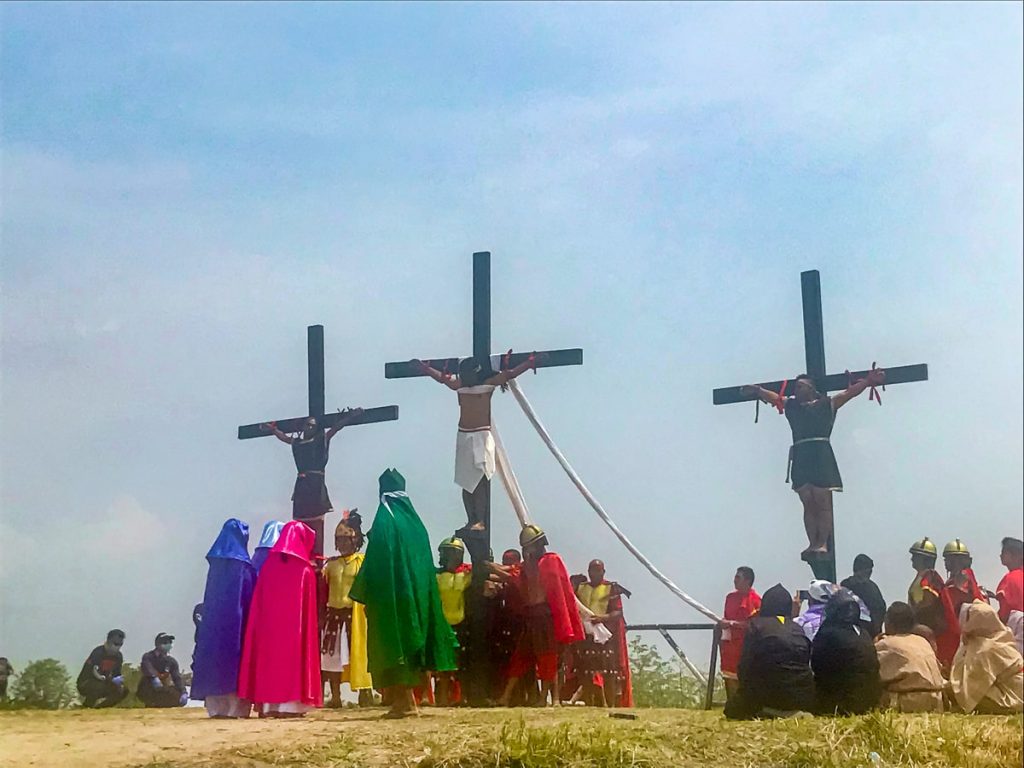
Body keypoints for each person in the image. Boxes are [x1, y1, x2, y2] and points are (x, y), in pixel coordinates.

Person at [349, 469, 459, 718]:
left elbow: (377, 558)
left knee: (394, 643)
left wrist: (366, 591)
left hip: (392, 596)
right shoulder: (417, 525)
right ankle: (409, 700)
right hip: (418, 597)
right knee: (412, 643)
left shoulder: (385, 519)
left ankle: (405, 701)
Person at [743, 367, 885, 558]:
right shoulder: (792, 406)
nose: (796, 390)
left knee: (822, 501)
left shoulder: (827, 404)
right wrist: (758, 390)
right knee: (808, 502)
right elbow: (775, 398)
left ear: (811, 388)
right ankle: (812, 543)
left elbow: (848, 393)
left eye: (800, 386)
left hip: (821, 454)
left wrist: (868, 381)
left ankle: (822, 543)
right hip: (801, 455)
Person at [414, 354, 541, 531]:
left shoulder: (487, 385)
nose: (464, 377)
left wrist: (529, 363)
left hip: (482, 436)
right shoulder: (460, 386)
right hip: (464, 437)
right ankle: (471, 519)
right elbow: (443, 380)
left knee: (480, 480)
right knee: (466, 482)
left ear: (476, 373)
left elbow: (509, 374)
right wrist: (426, 369)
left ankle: (480, 520)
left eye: (467, 374)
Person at [238, 520, 323, 717]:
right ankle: (291, 707)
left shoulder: (268, 566)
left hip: (269, 632)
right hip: (294, 634)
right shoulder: (304, 570)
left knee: (270, 663)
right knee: (292, 665)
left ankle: (270, 706)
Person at [497, 525, 585, 707]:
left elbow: (558, 591)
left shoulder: (551, 560)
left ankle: (548, 698)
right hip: (531, 615)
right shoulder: (526, 566)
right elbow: (511, 573)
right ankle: (506, 697)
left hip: (545, 616)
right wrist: (487, 566)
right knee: (521, 656)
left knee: (549, 657)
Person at [261, 409, 364, 554]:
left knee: (316, 520)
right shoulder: (297, 443)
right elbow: (284, 438)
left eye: (312, 426)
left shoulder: (320, 440)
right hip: (302, 485)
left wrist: (349, 417)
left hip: (315, 484)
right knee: (300, 521)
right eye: (307, 425)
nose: (309, 427)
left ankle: (315, 552)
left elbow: (335, 428)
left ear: (316, 429)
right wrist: (273, 430)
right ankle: (301, 549)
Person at [190, 519, 257, 718]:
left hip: (214, 626)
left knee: (215, 661)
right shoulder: (244, 567)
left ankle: (216, 708)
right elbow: (249, 596)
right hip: (237, 625)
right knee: (235, 662)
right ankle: (235, 709)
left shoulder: (216, 566)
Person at [723, 583, 815, 720]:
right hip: (800, 698)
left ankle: (769, 711)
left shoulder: (755, 626)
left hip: (766, 695)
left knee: (732, 709)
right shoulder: (797, 628)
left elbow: (745, 666)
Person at [320, 511, 373, 707]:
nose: (342, 544)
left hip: (356, 616)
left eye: (345, 540)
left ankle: (365, 693)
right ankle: (335, 697)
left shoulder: (363, 562)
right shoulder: (330, 565)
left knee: (360, 654)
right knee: (332, 657)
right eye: (339, 540)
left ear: (355, 540)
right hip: (334, 615)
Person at [811, 589, 881, 715]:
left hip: (842, 705)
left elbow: (816, 666)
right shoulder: (863, 633)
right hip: (870, 703)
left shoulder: (827, 633)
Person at [574, 559, 633, 708]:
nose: (594, 574)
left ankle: (610, 704)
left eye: (598, 570)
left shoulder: (611, 588)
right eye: (592, 571)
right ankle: (589, 702)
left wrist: (602, 618)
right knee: (586, 670)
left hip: (605, 635)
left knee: (609, 671)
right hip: (586, 634)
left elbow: (618, 612)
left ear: (603, 572)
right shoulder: (581, 587)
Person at [949, 600, 1024, 714]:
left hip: (1013, 696)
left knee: (971, 696)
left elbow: (971, 685)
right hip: (1016, 691)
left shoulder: (986, 648)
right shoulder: (1000, 637)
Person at [874, 602, 944, 713]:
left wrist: (874, 644)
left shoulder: (887, 643)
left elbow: (871, 673)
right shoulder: (922, 641)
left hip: (910, 702)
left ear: (889, 623)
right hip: (937, 701)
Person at [936, 539, 988, 671]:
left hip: (960, 637)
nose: (946, 563)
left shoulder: (960, 583)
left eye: (948, 559)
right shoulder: (966, 582)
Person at [434, 536, 472, 706]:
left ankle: (462, 697)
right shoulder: (435, 575)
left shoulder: (466, 575)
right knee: (443, 663)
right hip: (442, 624)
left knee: (462, 662)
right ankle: (442, 697)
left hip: (462, 623)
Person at [719, 566, 762, 702]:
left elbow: (755, 625)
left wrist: (732, 624)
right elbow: (726, 618)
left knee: (746, 681)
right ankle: (732, 705)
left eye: (738, 578)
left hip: (746, 649)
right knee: (730, 679)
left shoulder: (756, 601)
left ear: (747, 580)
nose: (734, 580)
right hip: (730, 648)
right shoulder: (730, 598)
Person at [76, 630, 128, 708]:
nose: (117, 647)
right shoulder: (98, 652)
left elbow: (116, 673)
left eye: (120, 644)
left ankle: (101, 708)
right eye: (116, 644)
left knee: (123, 690)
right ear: (109, 641)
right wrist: (109, 679)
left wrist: (119, 681)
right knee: (98, 685)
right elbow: (95, 673)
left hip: (104, 682)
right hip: (86, 682)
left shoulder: (118, 656)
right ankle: (86, 706)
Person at [907, 537, 946, 637]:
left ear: (924, 558)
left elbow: (929, 600)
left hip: (926, 626)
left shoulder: (930, 576)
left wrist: (912, 613)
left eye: (915, 556)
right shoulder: (921, 576)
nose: (912, 559)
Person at [841, 554, 886, 637]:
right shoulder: (846, 585)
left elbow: (881, 609)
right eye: (867, 570)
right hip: (852, 631)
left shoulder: (872, 587)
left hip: (871, 632)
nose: (869, 573)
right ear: (859, 570)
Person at [137, 633, 187, 708]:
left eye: (170, 642)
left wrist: (183, 692)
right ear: (158, 644)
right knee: (146, 684)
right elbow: (148, 668)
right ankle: (151, 703)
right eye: (165, 642)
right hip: (148, 688)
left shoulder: (171, 661)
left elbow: (177, 678)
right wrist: (154, 677)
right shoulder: (148, 657)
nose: (168, 644)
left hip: (162, 689)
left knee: (176, 694)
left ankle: (160, 704)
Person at [995, 537, 1024, 654]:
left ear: (1016, 555)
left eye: (1004, 552)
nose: (1000, 556)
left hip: (1017, 638)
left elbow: (1004, 615)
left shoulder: (1009, 579)